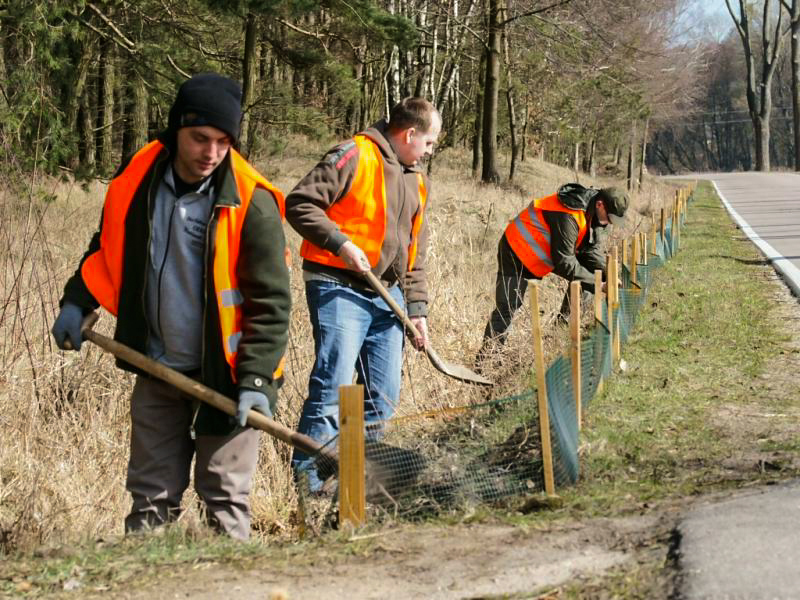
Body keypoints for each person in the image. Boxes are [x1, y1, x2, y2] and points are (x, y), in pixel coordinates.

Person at [51, 73, 291, 540]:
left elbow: (272, 304)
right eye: (200, 137)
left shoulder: (252, 201)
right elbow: (110, 245)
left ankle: (230, 577)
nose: (211, 152)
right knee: (150, 496)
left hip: (229, 375)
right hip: (157, 364)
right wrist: (78, 300)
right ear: (176, 128)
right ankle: (147, 575)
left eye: (223, 141)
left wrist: (258, 379)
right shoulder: (137, 176)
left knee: (224, 497)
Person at [285, 97, 441, 492]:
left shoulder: (417, 180)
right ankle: (309, 485)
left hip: (388, 294)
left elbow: (414, 254)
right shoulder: (354, 154)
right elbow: (300, 203)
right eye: (428, 143)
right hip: (337, 285)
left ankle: (355, 482)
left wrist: (417, 308)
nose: (429, 151)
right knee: (333, 386)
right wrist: (340, 244)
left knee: (382, 396)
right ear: (410, 134)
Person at [477, 184, 628, 360]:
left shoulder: (592, 213)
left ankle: (559, 337)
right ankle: (486, 362)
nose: (610, 223)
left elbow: (589, 250)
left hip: (542, 254)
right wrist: (600, 285)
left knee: (587, 278)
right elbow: (565, 263)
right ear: (600, 205)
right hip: (516, 250)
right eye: (610, 218)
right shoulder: (569, 215)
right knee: (507, 308)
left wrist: (609, 274)